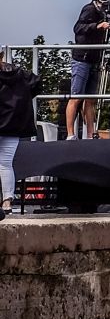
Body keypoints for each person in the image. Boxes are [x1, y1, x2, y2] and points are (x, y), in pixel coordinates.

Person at [66, 0, 110, 140]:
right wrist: (97, 26)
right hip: (82, 58)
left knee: (90, 99)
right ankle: (70, 134)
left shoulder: (104, 13)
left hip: (94, 59)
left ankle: (91, 133)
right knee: (76, 97)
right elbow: (78, 28)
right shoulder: (89, 9)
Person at [0, 51, 40, 219]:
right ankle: (7, 202)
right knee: (5, 164)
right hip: (13, 125)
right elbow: (37, 83)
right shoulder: (20, 73)